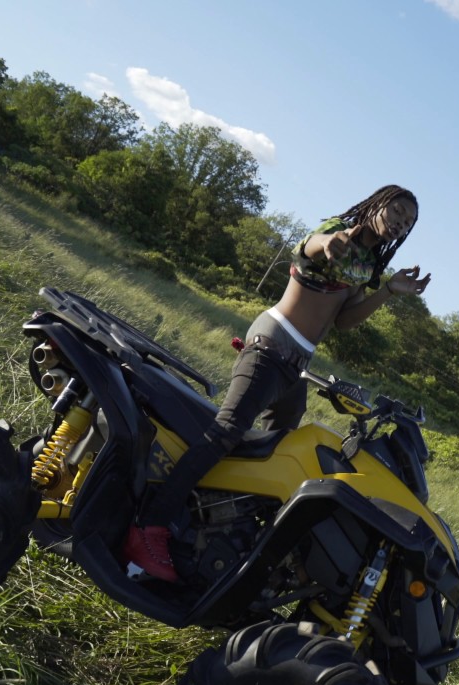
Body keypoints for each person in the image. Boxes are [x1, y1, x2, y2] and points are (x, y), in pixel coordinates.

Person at [124, 184, 430, 582]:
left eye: (408, 223)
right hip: (271, 346)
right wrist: (327, 244)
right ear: (377, 204)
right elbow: (308, 247)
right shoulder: (339, 231)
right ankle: (149, 526)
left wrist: (388, 290)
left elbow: (344, 321)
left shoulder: (368, 264)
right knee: (226, 432)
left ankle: (206, 527)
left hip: (295, 367)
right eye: (396, 212)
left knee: (274, 453)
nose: (400, 223)